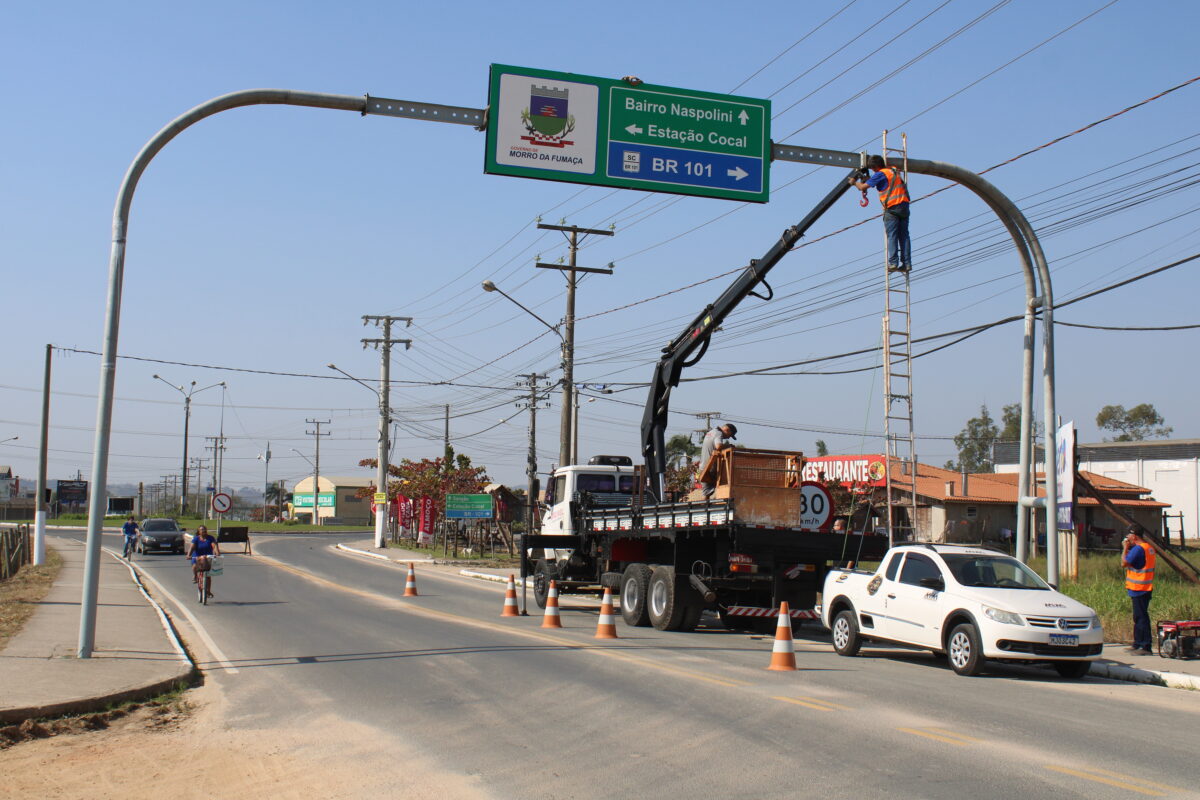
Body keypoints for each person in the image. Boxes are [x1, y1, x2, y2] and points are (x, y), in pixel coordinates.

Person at [851, 155, 911, 272]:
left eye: (873, 168)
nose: (873, 170)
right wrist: (869, 178)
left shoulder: (880, 174)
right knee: (904, 236)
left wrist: (853, 183)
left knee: (892, 235)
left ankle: (893, 263)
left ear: (876, 167)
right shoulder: (892, 170)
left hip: (892, 208)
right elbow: (881, 182)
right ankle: (907, 264)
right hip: (904, 206)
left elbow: (862, 186)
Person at [1121, 525, 1156, 656]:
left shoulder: (1138, 549)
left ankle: (1145, 646)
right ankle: (1137, 643)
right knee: (1139, 616)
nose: (1127, 538)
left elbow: (1124, 563)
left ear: (1134, 536)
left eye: (1129, 535)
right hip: (1144, 587)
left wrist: (1125, 548)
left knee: (1141, 617)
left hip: (1139, 588)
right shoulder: (1148, 548)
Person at [699, 423, 737, 498]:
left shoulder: (711, 432)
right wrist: (729, 446)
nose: (728, 438)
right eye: (730, 435)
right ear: (727, 430)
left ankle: (707, 507)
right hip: (711, 468)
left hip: (704, 467)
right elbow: (718, 446)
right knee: (726, 486)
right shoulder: (719, 434)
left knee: (707, 493)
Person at [187, 525, 221, 600]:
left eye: (205, 529)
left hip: (207, 556)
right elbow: (192, 547)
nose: (203, 531)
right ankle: (195, 576)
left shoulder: (210, 538)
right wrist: (188, 555)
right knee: (194, 565)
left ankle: (208, 590)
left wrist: (217, 553)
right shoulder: (196, 539)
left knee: (208, 576)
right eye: (202, 530)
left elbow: (214, 546)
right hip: (197, 556)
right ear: (199, 531)